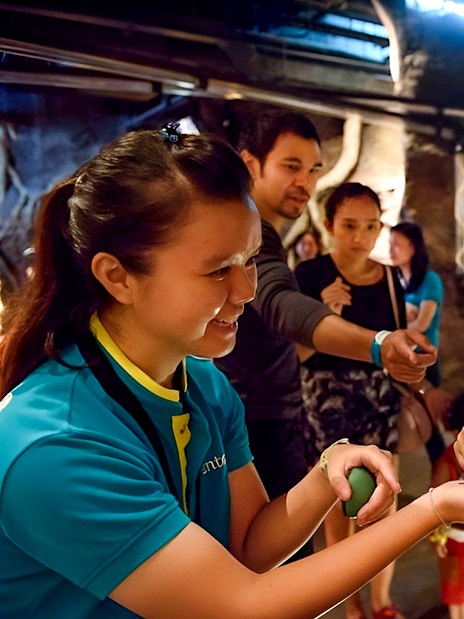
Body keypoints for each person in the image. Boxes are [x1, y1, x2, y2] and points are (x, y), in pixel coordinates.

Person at [0, 123, 458, 619]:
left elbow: (246, 545)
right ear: (118, 277)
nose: (244, 291)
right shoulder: (58, 444)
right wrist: (432, 508)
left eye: (249, 260)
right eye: (219, 269)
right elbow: (239, 605)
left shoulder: (202, 381)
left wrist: (328, 472)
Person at [215, 108, 436, 518]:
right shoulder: (255, 237)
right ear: (251, 164)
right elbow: (281, 303)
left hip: (275, 413)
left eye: (313, 169)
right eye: (291, 166)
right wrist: (378, 344)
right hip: (257, 418)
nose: (305, 181)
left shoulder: (263, 235)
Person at [294, 182, 407, 619]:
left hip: (377, 400)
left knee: (384, 497)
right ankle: (347, 604)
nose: (361, 235)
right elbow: (295, 356)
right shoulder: (308, 276)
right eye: (349, 225)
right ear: (328, 226)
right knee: (337, 502)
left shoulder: (391, 278)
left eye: (371, 226)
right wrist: (325, 315)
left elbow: (397, 349)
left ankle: (381, 602)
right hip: (325, 399)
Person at [390, 221, 446, 462]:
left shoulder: (429, 280)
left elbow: (421, 324)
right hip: (399, 359)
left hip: (423, 361)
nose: (391, 250)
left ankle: (446, 476)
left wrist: (396, 327)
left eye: (396, 245)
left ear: (413, 248)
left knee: (431, 425)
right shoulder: (396, 280)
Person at [430, 392, 464, 619]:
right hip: (455, 541)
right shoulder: (446, 464)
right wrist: (437, 536)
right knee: (455, 590)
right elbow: (434, 507)